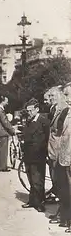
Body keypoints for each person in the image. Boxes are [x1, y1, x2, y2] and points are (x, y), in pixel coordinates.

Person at [21, 98, 50, 213]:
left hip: (39, 155)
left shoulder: (43, 121)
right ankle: (32, 201)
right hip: (28, 154)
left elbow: (47, 138)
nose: (29, 113)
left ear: (37, 109)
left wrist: (46, 152)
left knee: (38, 180)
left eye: (31, 110)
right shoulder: (28, 121)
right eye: (27, 111)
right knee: (31, 179)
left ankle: (40, 203)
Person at [44, 86, 68, 216]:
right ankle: (61, 212)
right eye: (50, 96)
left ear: (60, 96)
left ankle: (62, 213)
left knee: (60, 183)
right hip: (53, 150)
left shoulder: (63, 110)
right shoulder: (54, 109)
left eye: (53, 96)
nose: (50, 98)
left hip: (59, 151)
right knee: (56, 181)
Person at [54, 82, 71, 232]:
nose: (66, 98)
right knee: (65, 190)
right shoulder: (66, 112)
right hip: (64, 156)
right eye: (65, 95)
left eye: (68, 94)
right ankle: (66, 219)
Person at [0, 96, 15, 171]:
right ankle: (2, 167)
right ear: (2, 101)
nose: (7, 103)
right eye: (6, 101)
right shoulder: (0, 111)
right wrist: (12, 130)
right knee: (3, 150)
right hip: (2, 133)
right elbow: (5, 122)